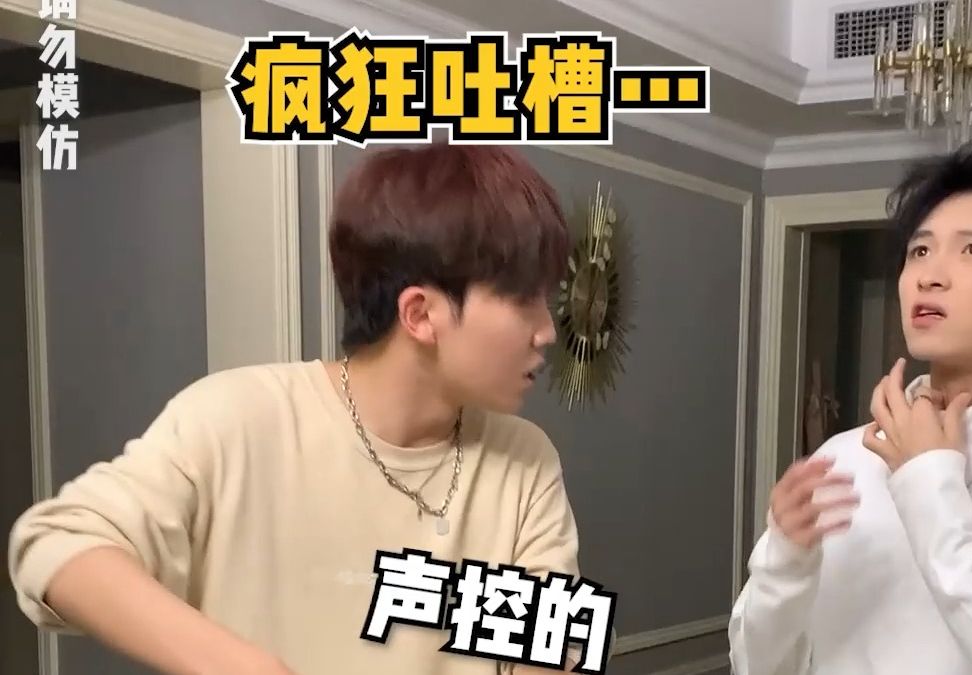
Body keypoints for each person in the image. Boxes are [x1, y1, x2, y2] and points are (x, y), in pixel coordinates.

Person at [7, 143, 588, 674]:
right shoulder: (234, 419)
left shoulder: (525, 459)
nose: (546, 331)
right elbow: (56, 542)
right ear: (419, 314)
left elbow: (550, 650)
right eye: (523, 300)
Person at [728, 140, 972, 675]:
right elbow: (757, 666)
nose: (929, 275)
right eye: (919, 251)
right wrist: (785, 563)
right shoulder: (844, 456)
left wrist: (929, 480)